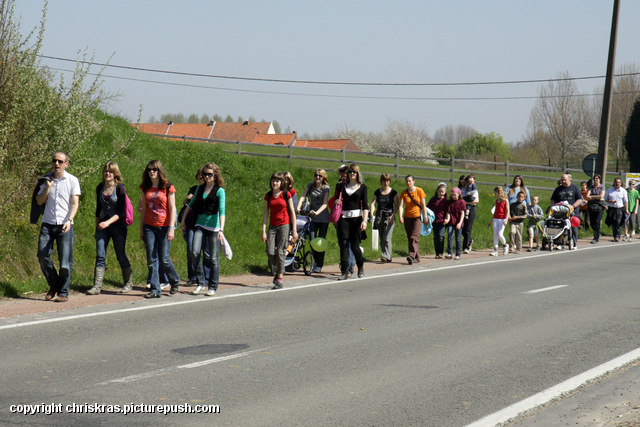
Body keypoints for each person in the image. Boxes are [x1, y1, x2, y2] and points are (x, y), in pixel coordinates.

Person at [35, 151, 81, 303]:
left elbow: (75, 203)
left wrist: (70, 219)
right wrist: (47, 188)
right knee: (42, 256)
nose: (57, 164)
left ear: (66, 164)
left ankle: (63, 292)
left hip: (64, 225)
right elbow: (39, 201)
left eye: (60, 161)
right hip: (47, 224)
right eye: (54, 160)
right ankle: (54, 285)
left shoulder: (72, 180)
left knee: (65, 262)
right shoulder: (46, 179)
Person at [87, 162, 133, 295]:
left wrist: (107, 223)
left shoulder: (120, 188)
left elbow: (121, 212)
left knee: (120, 255)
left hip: (118, 226)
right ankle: (97, 286)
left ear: (115, 174)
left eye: (110, 171)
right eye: (105, 171)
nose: (107, 173)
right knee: (100, 256)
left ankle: (128, 282)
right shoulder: (99, 188)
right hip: (102, 227)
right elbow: (98, 209)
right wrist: (97, 227)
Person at [181, 163, 226, 296]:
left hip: (213, 226)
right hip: (199, 224)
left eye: (209, 174)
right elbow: (191, 203)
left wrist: (221, 230)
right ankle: (201, 282)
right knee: (194, 252)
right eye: (205, 174)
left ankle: (213, 286)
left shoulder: (219, 190)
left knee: (213, 257)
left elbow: (222, 211)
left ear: (215, 175)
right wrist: (183, 219)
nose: (207, 177)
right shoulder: (200, 188)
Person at [139, 160, 180, 298]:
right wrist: (141, 229)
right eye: (150, 169)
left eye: (154, 169)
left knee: (164, 259)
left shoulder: (168, 186)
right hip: (149, 226)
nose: (152, 172)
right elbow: (143, 209)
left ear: (159, 171)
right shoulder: (145, 187)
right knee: (151, 259)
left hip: (164, 227)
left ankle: (174, 280)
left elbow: (172, 208)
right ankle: (156, 290)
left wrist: (171, 228)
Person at [262, 172, 298, 289]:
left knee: (281, 251)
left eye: (277, 181)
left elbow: (292, 212)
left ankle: (280, 279)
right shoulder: (268, 195)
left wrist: (294, 230)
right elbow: (265, 214)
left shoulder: (286, 194)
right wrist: (263, 230)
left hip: (284, 225)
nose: (275, 183)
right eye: (273, 180)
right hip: (272, 226)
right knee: (270, 251)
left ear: (281, 183)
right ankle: (278, 271)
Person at [334, 166, 368, 280]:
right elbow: (336, 200)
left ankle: (360, 266)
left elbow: (365, 206)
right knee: (343, 245)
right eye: (350, 172)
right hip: (344, 218)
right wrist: (336, 202)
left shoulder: (363, 187)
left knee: (355, 247)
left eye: (354, 172)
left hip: (356, 219)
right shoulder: (341, 186)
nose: (352, 173)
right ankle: (344, 272)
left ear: (358, 173)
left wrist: (364, 221)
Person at [181, 168, 211, 287]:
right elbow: (187, 205)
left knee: (207, 252)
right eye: (199, 176)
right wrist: (187, 199)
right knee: (191, 250)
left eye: (203, 176)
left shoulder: (211, 190)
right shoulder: (194, 189)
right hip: (193, 224)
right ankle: (193, 277)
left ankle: (206, 278)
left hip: (206, 223)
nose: (201, 178)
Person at [297, 169, 330, 273]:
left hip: (323, 218)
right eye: (316, 175)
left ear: (323, 177)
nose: (317, 177)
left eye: (320, 176)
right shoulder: (310, 185)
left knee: (320, 242)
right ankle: (314, 260)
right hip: (313, 219)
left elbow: (325, 204)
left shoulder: (326, 188)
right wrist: (298, 207)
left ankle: (319, 264)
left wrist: (317, 212)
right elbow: (303, 196)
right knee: (312, 241)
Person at [398, 175, 428, 264]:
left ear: (414, 181)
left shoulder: (419, 191)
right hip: (407, 218)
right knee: (410, 238)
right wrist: (400, 216)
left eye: (410, 181)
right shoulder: (404, 193)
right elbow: (401, 206)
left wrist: (425, 216)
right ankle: (416, 257)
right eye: (406, 181)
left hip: (417, 217)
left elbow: (423, 205)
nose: (408, 183)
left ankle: (411, 255)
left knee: (414, 236)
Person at [370, 173, 399, 263]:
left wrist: (393, 215)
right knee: (382, 237)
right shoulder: (377, 192)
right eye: (384, 181)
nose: (386, 183)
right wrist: (371, 213)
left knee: (387, 237)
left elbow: (397, 205)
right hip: (380, 217)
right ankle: (387, 256)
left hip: (389, 217)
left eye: (387, 181)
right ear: (381, 182)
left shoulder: (393, 192)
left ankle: (385, 255)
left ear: (389, 181)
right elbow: (373, 203)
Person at [550, 174, 583, 249]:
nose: (563, 181)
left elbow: (580, 199)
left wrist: (573, 206)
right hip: (561, 212)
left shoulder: (574, 188)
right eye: (562, 180)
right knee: (560, 226)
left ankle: (574, 243)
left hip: (572, 211)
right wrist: (553, 207)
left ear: (569, 179)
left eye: (565, 180)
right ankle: (560, 243)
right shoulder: (558, 189)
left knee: (573, 227)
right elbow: (553, 199)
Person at [334, 165, 356, 276]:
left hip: (352, 219)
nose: (342, 178)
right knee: (343, 244)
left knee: (349, 243)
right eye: (341, 176)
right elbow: (334, 200)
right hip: (341, 218)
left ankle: (349, 268)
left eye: (344, 176)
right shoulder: (338, 186)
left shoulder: (355, 187)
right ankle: (347, 265)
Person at [427, 183, 449, 260]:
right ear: (437, 191)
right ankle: (437, 252)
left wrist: (447, 219)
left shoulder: (445, 201)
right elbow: (428, 209)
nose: (441, 193)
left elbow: (447, 211)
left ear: (445, 192)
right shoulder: (433, 200)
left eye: (442, 192)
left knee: (440, 236)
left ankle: (441, 252)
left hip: (442, 222)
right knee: (436, 237)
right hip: (434, 221)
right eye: (439, 191)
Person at [604, 178, 629, 242]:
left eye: (618, 182)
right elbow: (605, 199)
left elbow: (625, 201)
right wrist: (610, 201)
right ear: (614, 183)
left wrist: (626, 209)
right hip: (611, 208)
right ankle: (614, 235)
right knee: (613, 222)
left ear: (620, 183)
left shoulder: (623, 191)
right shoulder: (610, 190)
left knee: (618, 222)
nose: (617, 183)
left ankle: (617, 236)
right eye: (616, 182)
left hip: (619, 208)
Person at [444, 187, 465, 260]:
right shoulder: (450, 202)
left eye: (455, 195)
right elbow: (449, 213)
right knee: (450, 237)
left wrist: (459, 223)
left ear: (459, 194)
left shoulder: (461, 202)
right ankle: (450, 253)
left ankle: (458, 254)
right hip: (451, 222)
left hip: (459, 223)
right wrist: (447, 219)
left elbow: (462, 213)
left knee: (458, 238)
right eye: (452, 195)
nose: (453, 196)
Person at [488, 186, 509, 256]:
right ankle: (495, 250)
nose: (495, 195)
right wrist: (491, 221)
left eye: (495, 193)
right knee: (495, 234)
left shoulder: (505, 200)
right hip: (495, 219)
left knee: (500, 234)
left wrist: (506, 220)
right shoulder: (497, 201)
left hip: (502, 218)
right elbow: (495, 212)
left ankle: (505, 245)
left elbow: (507, 211)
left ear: (499, 193)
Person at [586, 174, 607, 244]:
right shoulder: (590, 187)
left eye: (597, 178)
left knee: (597, 221)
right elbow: (587, 196)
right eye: (595, 178)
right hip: (592, 206)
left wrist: (592, 197)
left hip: (599, 206)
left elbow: (601, 196)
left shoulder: (602, 187)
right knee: (592, 222)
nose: (595, 180)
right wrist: (595, 197)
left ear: (599, 179)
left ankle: (596, 237)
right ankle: (597, 232)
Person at [462, 174, 479, 254]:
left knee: (468, 229)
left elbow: (476, 200)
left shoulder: (473, 188)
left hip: (471, 208)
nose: (464, 183)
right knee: (462, 229)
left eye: (464, 182)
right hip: (462, 209)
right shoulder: (461, 189)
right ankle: (470, 240)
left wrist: (467, 202)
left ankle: (466, 247)